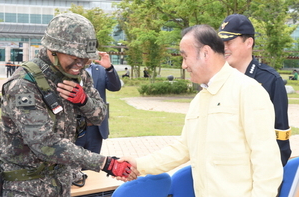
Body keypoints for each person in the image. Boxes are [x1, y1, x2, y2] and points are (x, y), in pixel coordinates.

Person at [120, 24, 283, 196]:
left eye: (185, 57)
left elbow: (266, 160)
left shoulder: (247, 90)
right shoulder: (200, 99)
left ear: (205, 52)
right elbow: (183, 148)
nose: (183, 65)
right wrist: (139, 164)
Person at [0, 13, 135, 197]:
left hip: (62, 184)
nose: (81, 64)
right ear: (53, 50)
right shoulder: (24, 85)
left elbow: (100, 116)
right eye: (76, 57)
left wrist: (84, 102)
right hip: (25, 188)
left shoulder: (79, 76)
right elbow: (45, 144)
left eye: (85, 59)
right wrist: (106, 163)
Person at [218, 14, 292, 166]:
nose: (224, 47)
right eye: (221, 42)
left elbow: (280, 137)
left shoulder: (270, 80)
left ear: (249, 42)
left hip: (257, 173)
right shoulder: (217, 79)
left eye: (229, 41)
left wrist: (269, 178)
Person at [75, 57, 121, 154]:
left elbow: (115, 87)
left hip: (95, 128)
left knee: (92, 167)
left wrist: (109, 68)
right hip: (74, 127)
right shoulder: (70, 68)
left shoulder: (99, 69)